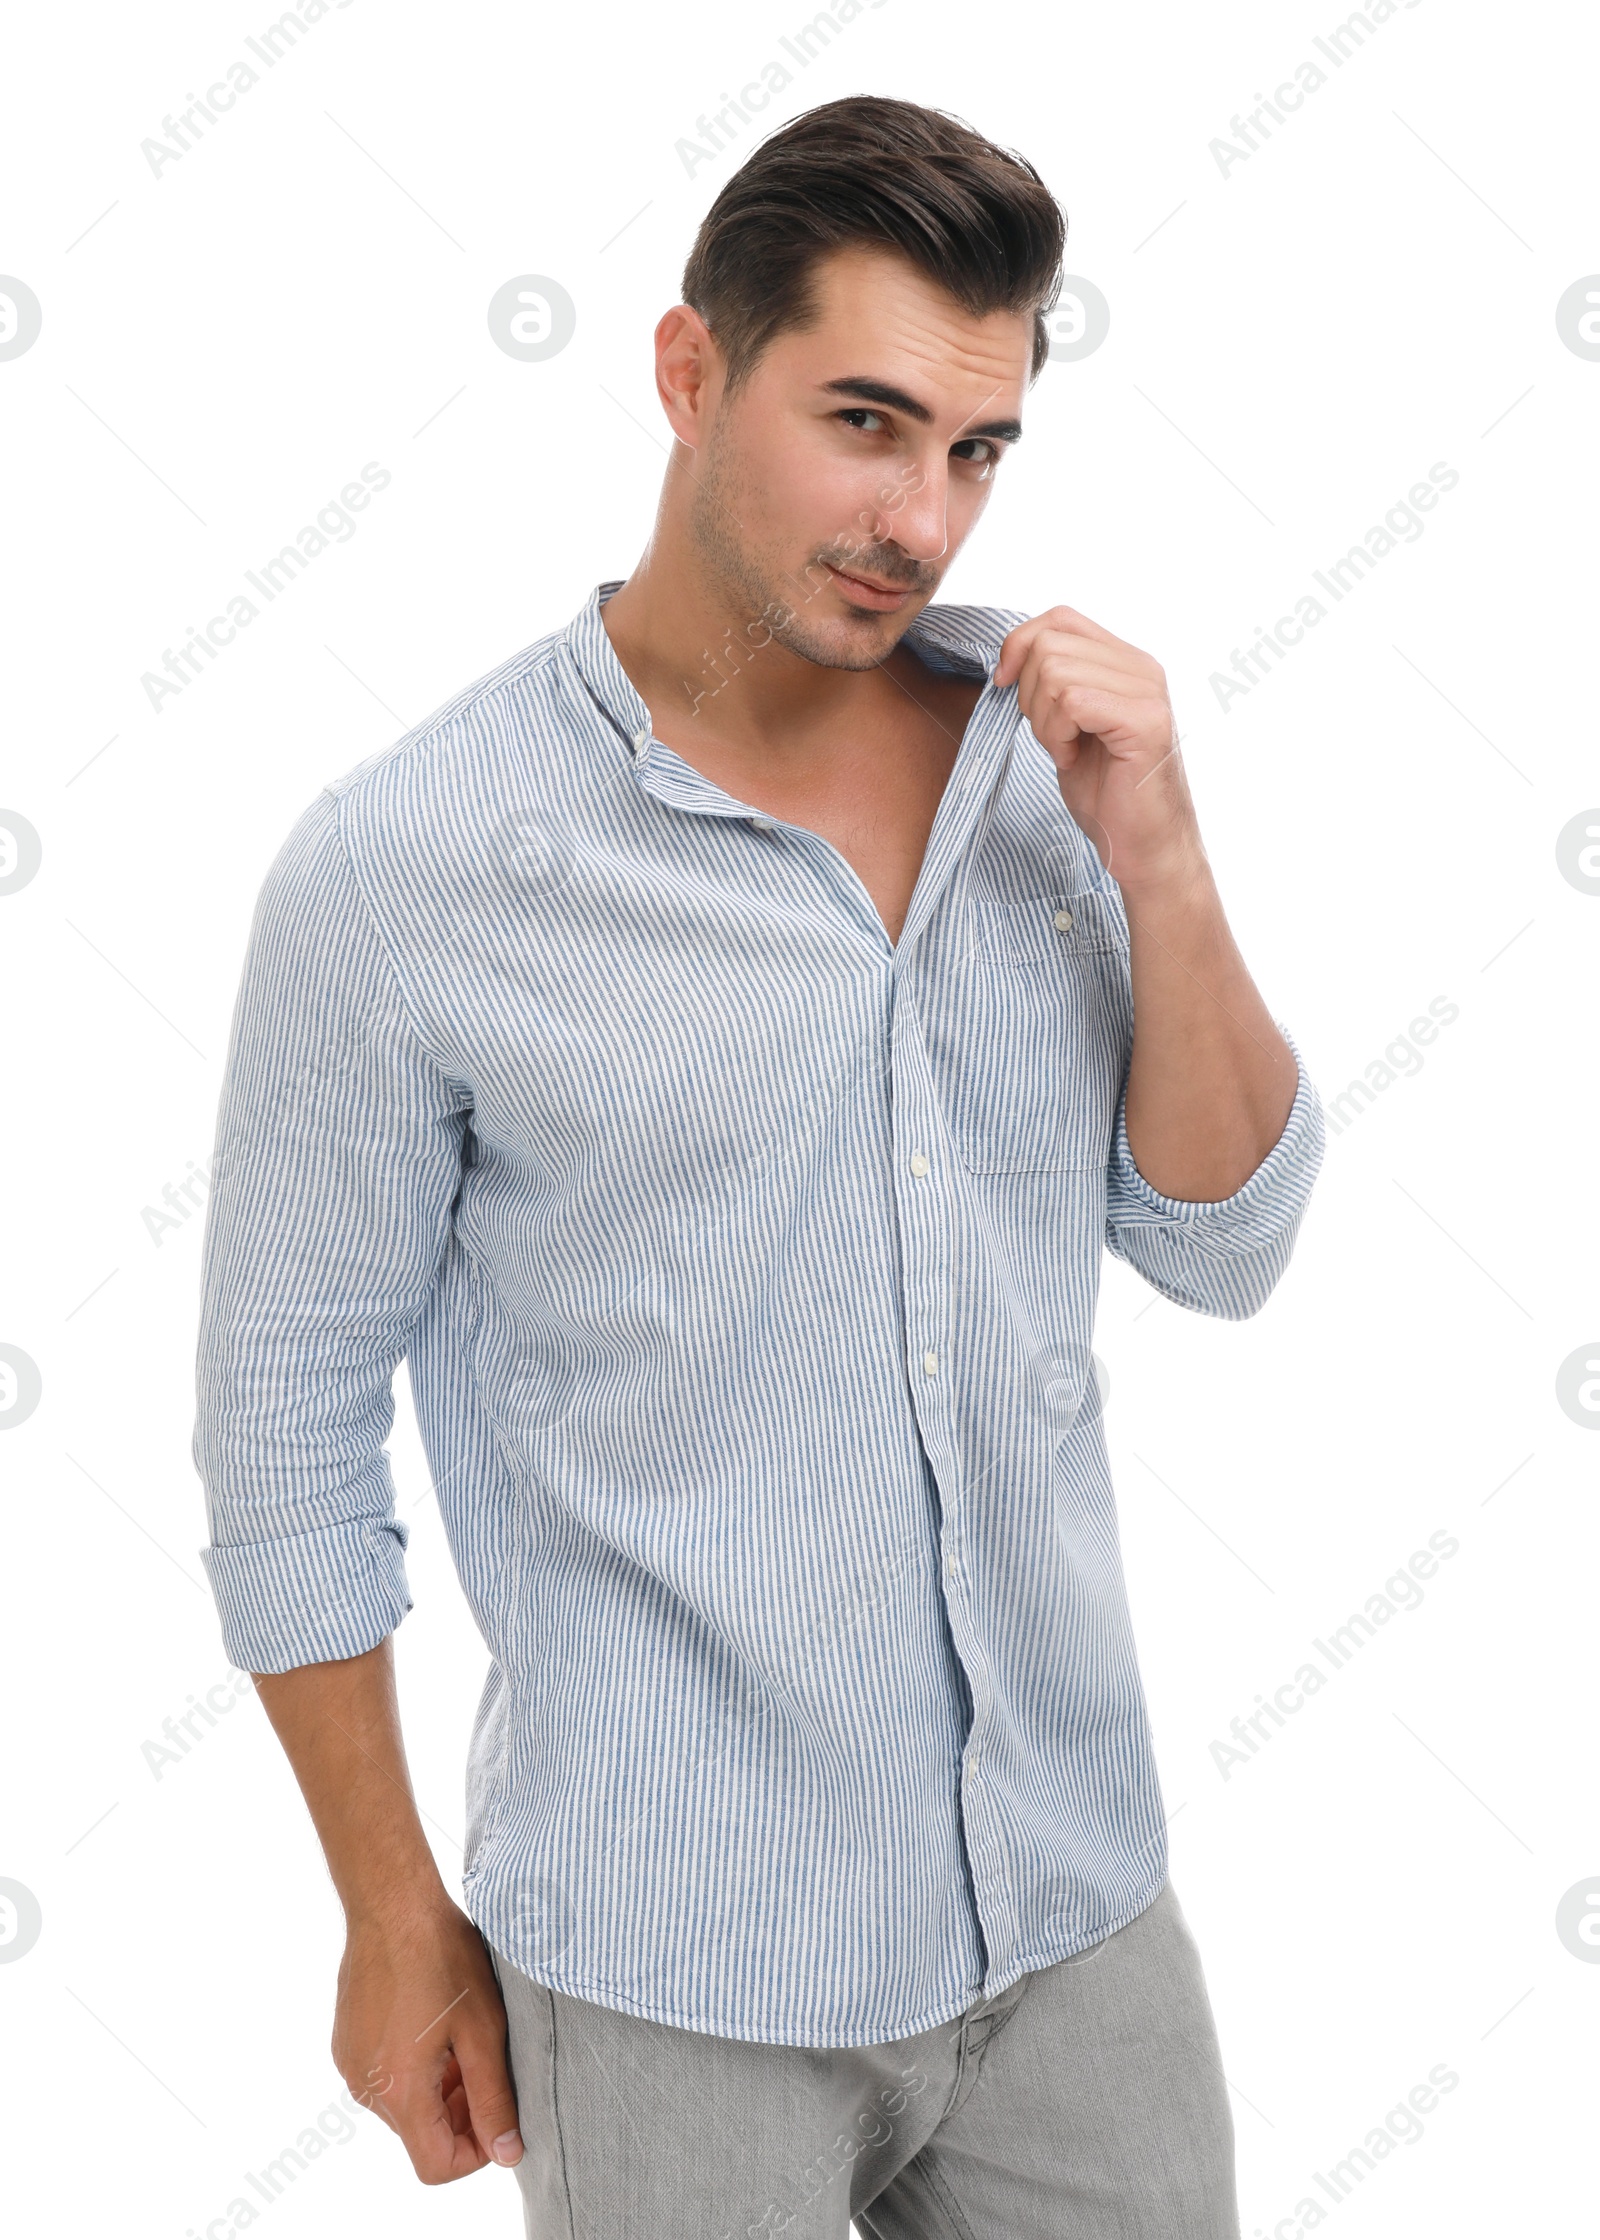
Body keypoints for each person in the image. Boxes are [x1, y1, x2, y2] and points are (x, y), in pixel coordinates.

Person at [192, 93, 1324, 2238]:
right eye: (866, 422)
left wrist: (1156, 854)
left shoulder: (1042, 764)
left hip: (1070, 1904)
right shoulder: (403, 872)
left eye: (976, 453)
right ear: (689, 372)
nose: (921, 518)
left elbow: (1225, 1237)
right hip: (670, 1959)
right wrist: (387, 1912)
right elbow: (283, 1440)